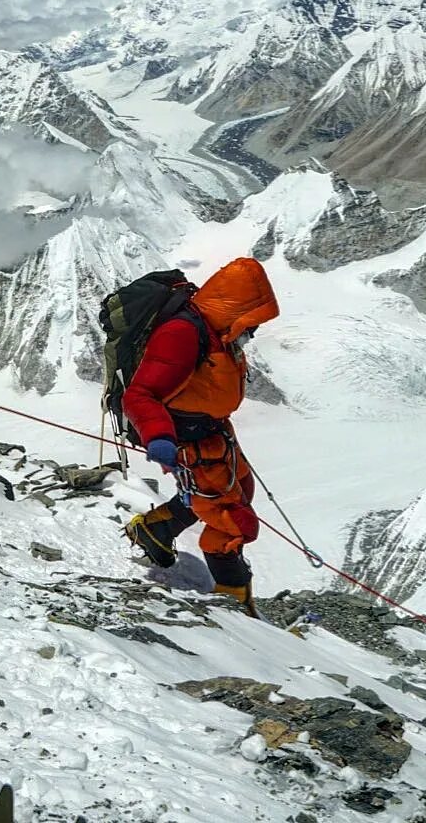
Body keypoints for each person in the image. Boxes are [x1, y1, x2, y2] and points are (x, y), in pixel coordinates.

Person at [122, 257, 279, 615]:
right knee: (232, 520)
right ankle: (233, 603)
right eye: (250, 323)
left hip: (214, 431)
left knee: (240, 492)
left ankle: (156, 529)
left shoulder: (215, 330)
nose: (251, 333)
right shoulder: (182, 333)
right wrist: (159, 437)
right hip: (187, 438)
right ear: (236, 309)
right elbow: (140, 395)